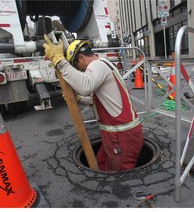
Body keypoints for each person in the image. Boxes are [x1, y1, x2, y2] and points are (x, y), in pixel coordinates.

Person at [43, 35, 144, 172]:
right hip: (117, 135)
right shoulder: (104, 65)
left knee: (120, 178)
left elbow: (85, 86)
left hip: (122, 137)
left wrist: (60, 62)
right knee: (101, 164)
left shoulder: (98, 65)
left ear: (81, 58)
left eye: (77, 66)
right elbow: (99, 101)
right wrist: (78, 99)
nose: (80, 71)